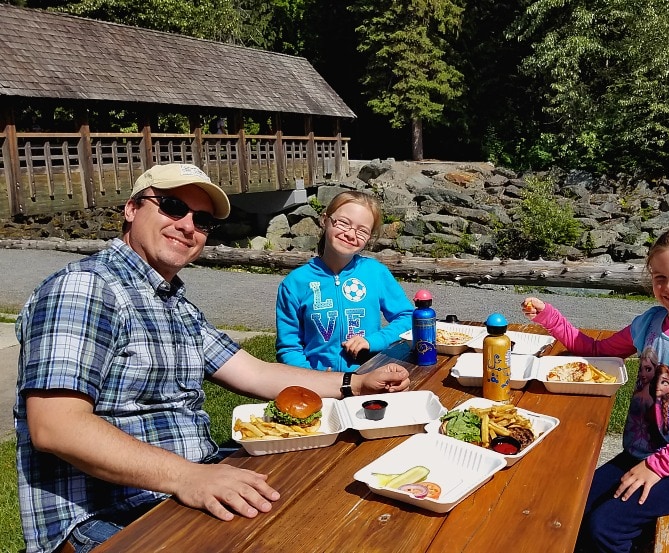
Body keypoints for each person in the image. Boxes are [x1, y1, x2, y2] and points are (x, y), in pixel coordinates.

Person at [14, 163, 410, 553]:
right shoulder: (85, 288)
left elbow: (254, 373)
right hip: (109, 514)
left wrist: (354, 384)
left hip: (190, 478)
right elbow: (56, 427)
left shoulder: (171, 301)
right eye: (171, 206)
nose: (188, 225)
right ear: (132, 209)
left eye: (201, 219)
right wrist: (189, 478)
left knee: (337, 497)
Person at [521, 225, 669, 553]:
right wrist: (550, 317)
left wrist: (656, 466)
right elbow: (598, 350)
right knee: (570, 505)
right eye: (660, 277)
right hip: (640, 453)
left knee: (605, 528)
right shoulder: (650, 322)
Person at [275, 190, 413, 373]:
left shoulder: (375, 273)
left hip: (369, 378)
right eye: (343, 223)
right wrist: (311, 378)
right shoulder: (294, 283)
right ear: (325, 220)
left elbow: (408, 318)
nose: (350, 234)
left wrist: (374, 341)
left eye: (362, 231)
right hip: (318, 385)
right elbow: (289, 347)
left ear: (369, 238)